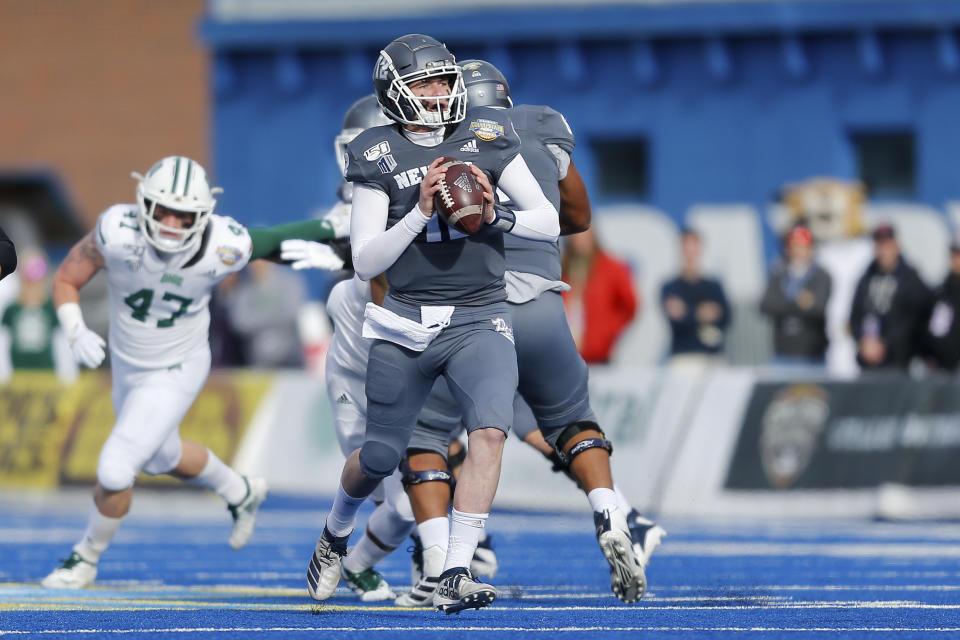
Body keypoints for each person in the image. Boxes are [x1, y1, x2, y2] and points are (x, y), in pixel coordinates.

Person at [304, 34, 560, 614]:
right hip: (406, 319)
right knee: (377, 458)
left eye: (445, 82)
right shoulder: (376, 151)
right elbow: (366, 259)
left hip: (480, 313)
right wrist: (419, 212)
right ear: (394, 92)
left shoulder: (489, 137)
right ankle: (334, 534)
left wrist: (495, 215)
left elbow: (548, 221)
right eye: (425, 84)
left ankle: (455, 570)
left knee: (488, 433)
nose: (439, 94)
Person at [392, 58, 660, 608]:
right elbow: (579, 215)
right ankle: (612, 511)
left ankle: (442, 565)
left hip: (472, 309)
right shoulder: (539, 127)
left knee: (425, 439)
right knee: (570, 421)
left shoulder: (431, 146)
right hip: (541, 301)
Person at [41, 155, 344, 589]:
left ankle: (84, 558)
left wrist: (331, 229)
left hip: (177, 365)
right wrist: (74, 330)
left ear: (203, 218)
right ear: (142, 202)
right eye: (160, 209)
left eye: (182, 215)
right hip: (128, 366)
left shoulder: (224, 244)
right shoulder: (116, 232)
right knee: (162, 455)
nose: (167, 222)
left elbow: (271, 239)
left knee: (115, 468)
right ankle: (239, 490)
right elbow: (67, 278)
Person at [849, 223, 932, 372]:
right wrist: (863, 342)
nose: (883, 251)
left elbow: (915, 319)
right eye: (879, 246)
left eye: (887, 245)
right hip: (868, 361)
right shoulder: (867, 277)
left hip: (900, 363)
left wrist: (886, 343)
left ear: (896, 245)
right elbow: (855, 315)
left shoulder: (911, 278)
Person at [561, 226, 638, 364]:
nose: (580, 240)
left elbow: (630, 305)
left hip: (597, 356)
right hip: (566, 355)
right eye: (576, 235)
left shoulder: (610, 267)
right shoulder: (562, 269)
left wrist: (608, 331)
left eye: (583, 234)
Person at [759, 224, 832, 366]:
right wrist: (798, 302)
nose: (797, 251)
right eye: (793, 246)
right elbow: (766, 305)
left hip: (813, 355)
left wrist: (785, 303)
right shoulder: (779, 274)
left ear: (811, 249)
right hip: (783, 353)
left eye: (802, 246)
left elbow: (819, 307)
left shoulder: (821, 275)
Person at [660, 228, 730, 368]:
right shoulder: (670, 287)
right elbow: (677, 320)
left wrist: (688, 312)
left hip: (713, 356)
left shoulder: (713, 285)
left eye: (694, 247)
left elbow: (726, 317)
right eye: (687, 247)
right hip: (684, 356)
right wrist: (701, 313)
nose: (690, 252)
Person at [918, 243, 960, 372]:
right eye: (955, 254)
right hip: (941, 372)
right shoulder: (940, 294)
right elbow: (929, 329)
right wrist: (929, 356)